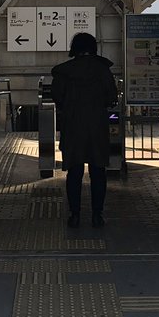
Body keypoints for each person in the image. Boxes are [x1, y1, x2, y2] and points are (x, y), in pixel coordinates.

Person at [50, 31, 117, 228]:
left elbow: (57, 96)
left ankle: (75, 215)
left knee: (74, 171)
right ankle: (97, 215)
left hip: (73, 126)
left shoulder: (63, 71)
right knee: (98, 172)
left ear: (75, 48)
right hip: (97, 126)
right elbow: (111, 97)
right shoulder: (103, 69)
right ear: (93, 47)